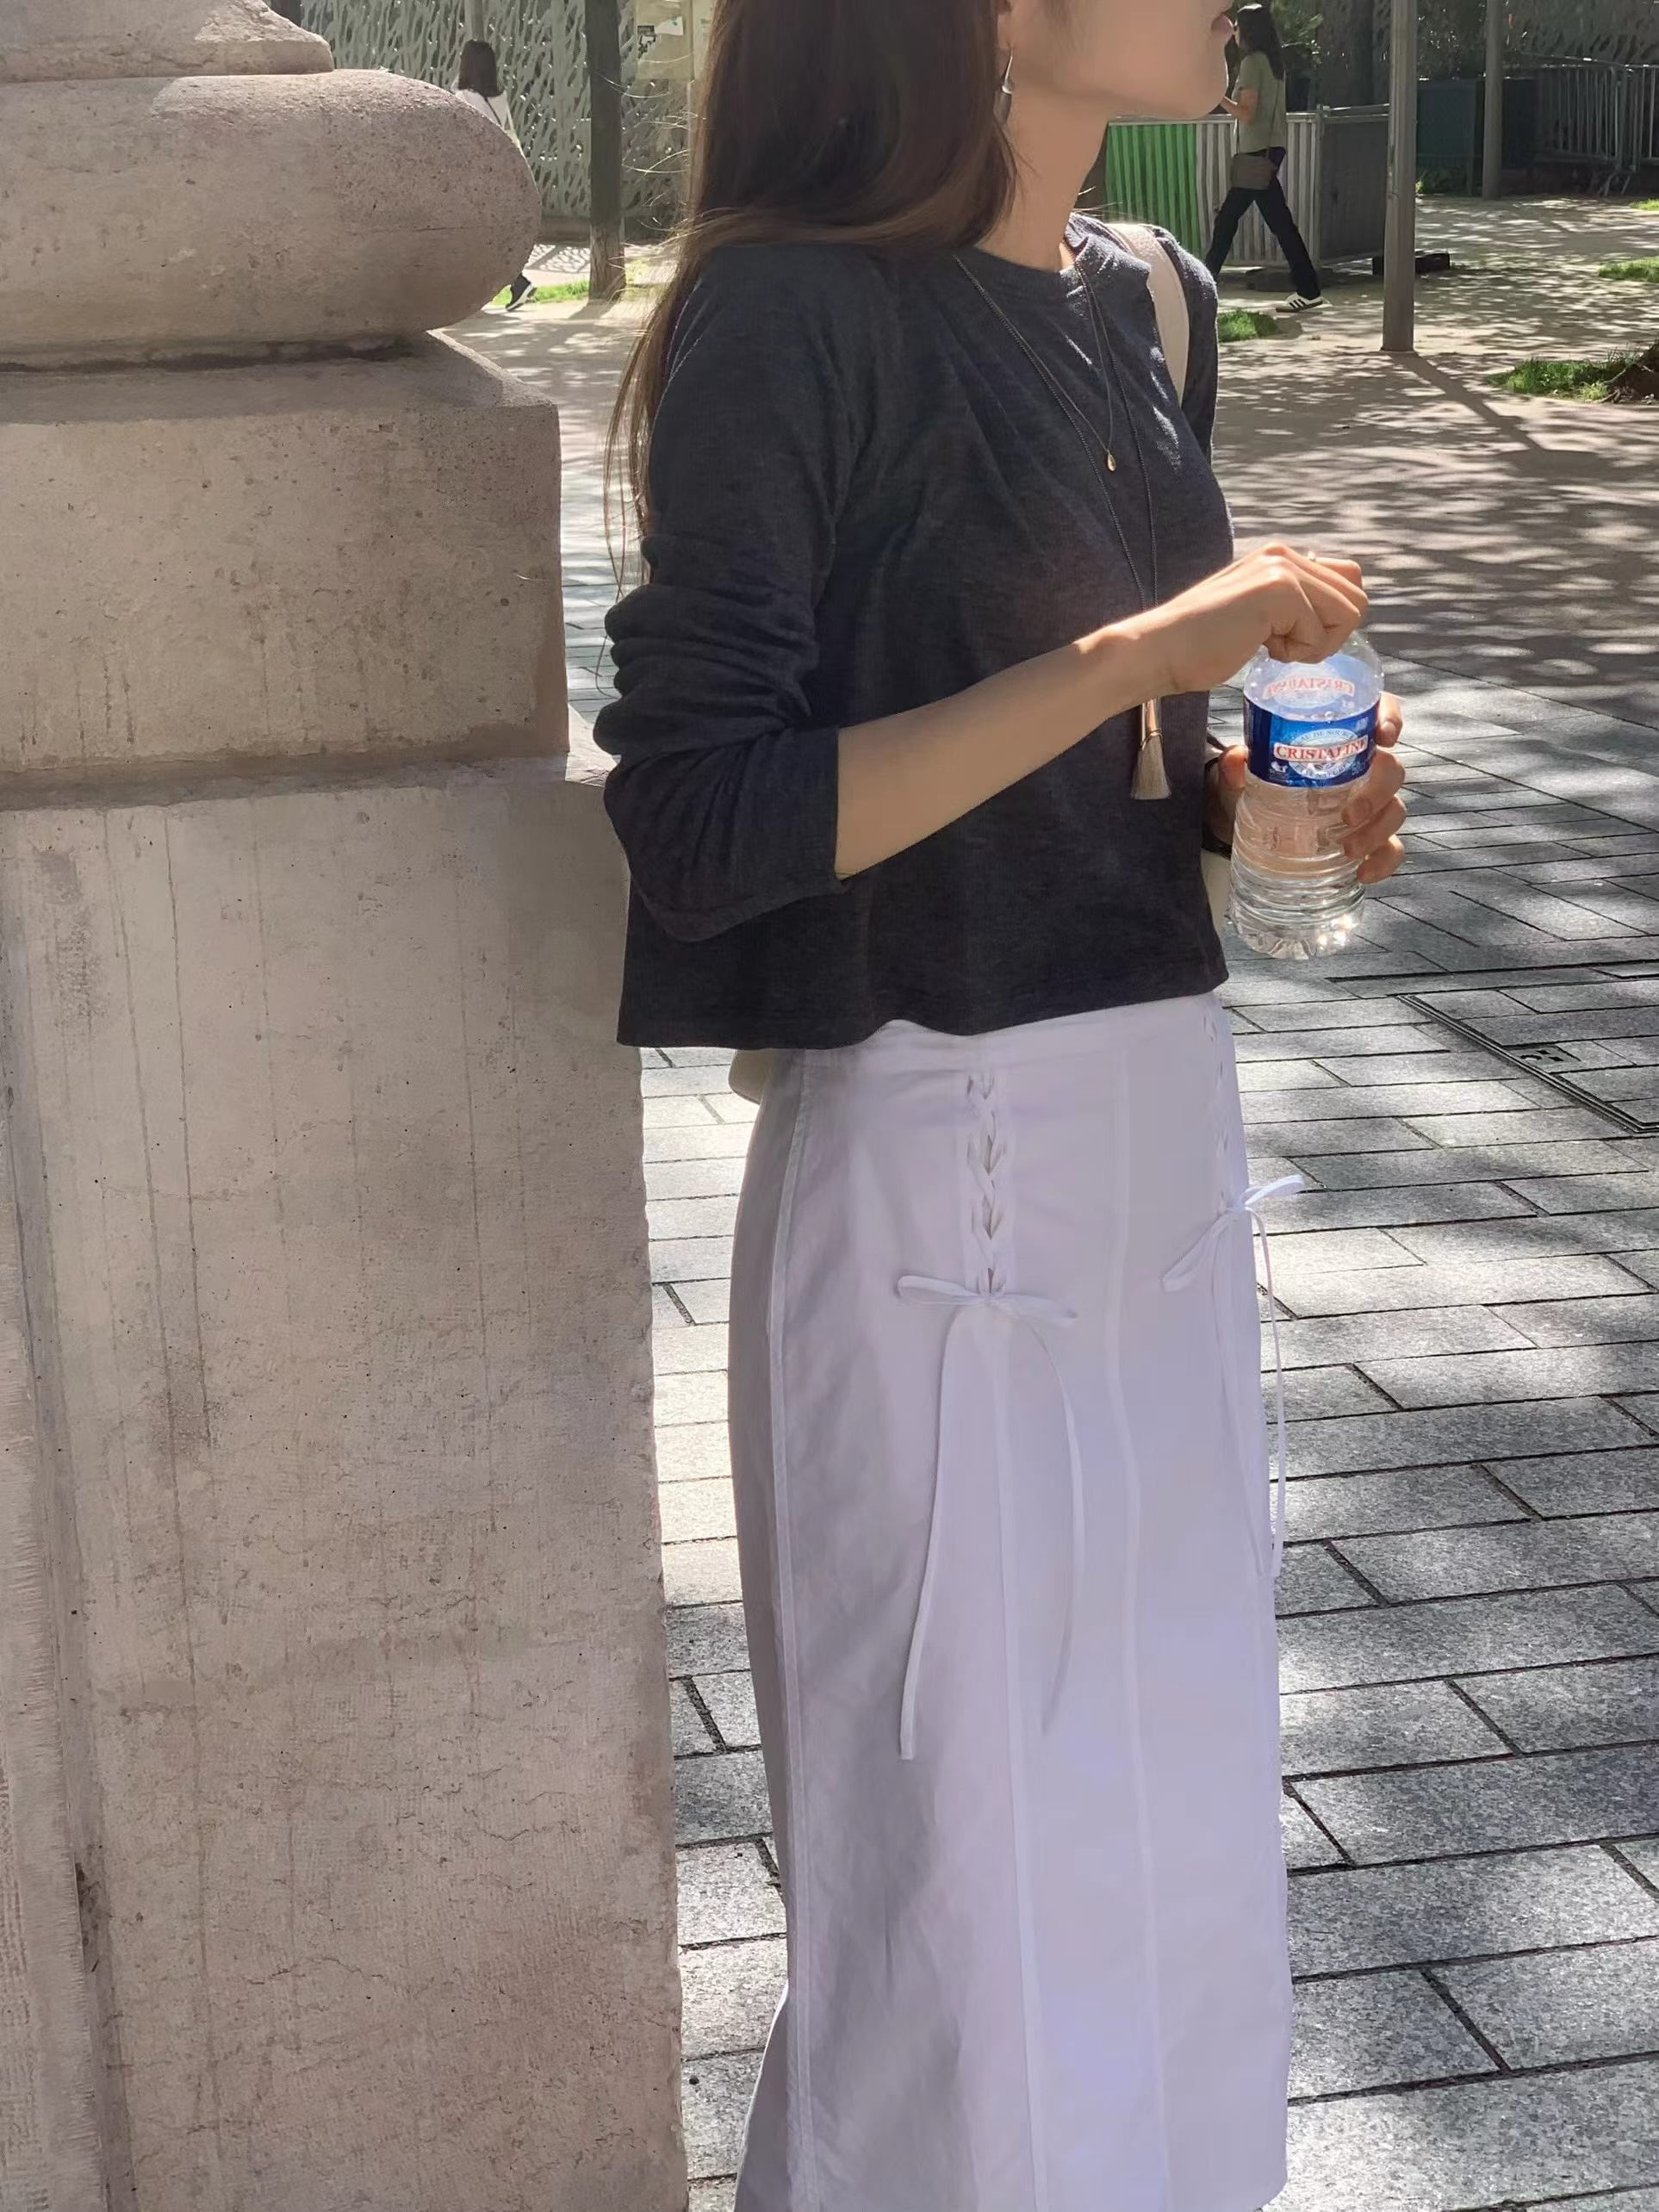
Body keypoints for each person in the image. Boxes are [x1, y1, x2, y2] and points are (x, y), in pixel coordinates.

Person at [599, 0, 1407, 2203]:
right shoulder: (791, 314)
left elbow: (1095, 761)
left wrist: (1250, 801)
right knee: (967, 1880)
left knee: (1169, 1818)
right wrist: (1147, 654)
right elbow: (705, 820)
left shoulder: (1140, 296)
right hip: (935, 1169)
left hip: (1155, 1136)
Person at [1206, 3, 1325, 312]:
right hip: (1271, 148)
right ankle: (1309, 289)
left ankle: (1203, 285)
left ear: (1248, 30)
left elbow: (1247, 113)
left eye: (1237, 26)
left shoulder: (1251, 63)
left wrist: (1216, 96)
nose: (1234, 31)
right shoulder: (1274, 63)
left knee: (1228, 219)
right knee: (1278, 222)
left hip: (1256, 152)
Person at [455, 38, 532, 308]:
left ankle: (516, 282)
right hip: (503, 172)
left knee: (474, 236)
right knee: (490, 236)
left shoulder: (463, 98)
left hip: (477, 176)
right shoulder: (501, 97)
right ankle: (516, 282)